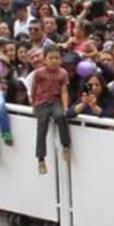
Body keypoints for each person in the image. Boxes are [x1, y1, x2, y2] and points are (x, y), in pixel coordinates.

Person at [30, 46, 71, 175]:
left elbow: (64, 90)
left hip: (55, 101)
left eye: (57, 58)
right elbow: (34, 87)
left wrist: (65, 106)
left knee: (60, 117)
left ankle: (65, 145)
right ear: (45, 60)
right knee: (42, 128)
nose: (54, 61)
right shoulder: (39, 73)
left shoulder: (63, 73)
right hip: (41, 102)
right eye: (51, 58)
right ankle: (41, 159)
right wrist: (33, 102)